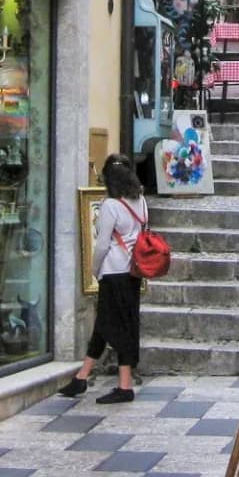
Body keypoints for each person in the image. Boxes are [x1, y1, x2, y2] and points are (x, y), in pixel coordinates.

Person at [59, 156, 147, 405]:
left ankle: (124, 385)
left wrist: (94, 270)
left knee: (116, 327)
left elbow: (102, 244)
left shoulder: (110, 205)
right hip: (132, 271)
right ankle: (81, 377)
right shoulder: (140, 201)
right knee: (111, 323)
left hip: (113, 271)